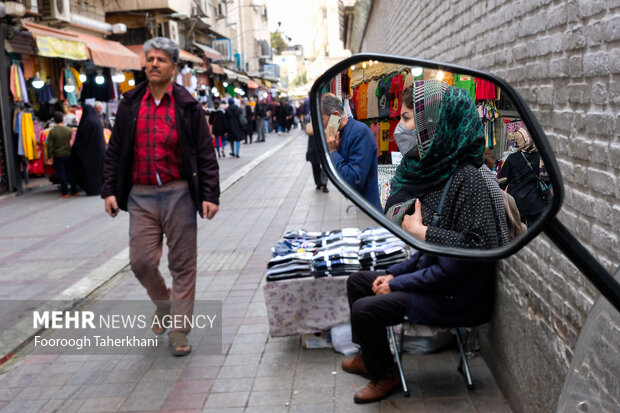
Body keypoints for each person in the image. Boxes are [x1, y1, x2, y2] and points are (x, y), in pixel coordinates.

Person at [342, 81, 499, 403]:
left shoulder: (468, 179)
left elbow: (463, 257)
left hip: (457, 295)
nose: (401, 127)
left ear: (435, 126)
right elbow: (428, 256)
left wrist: (400, 279)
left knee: (366, 309)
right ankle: (371, 357)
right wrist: (396, 275)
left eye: (410, 118)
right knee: (359, 282)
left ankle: (382, 374)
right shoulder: (441, 171)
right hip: (438, 279)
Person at [101, 37, 220, 356]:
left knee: (182, 264)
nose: (153, 64)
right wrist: (109, 190)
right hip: (140, 196)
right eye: (149, 58)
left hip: (178, 192)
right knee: (141, 262)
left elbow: (205, 153)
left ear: (173, 68)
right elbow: (115, 151)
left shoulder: (187, 105)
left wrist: (210, 194)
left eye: (161, 60)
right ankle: (164, 304)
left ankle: (179, 330)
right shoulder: (129, 103)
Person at [322, 93, 381, 211]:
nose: (321, 125)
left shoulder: (360, 132)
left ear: (335, 116)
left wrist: (333, 151)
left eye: (321, 119)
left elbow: (354, 180)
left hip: (368, 213)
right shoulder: (339, 135)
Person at [497, 127, 551, 227]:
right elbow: (547, 179)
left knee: (516, 234)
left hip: (516, 204)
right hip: (536, 204)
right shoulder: (540, 157)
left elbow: (502, 182)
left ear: (519, 140)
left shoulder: (512, 158)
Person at [72, 103, 105, 195]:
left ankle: (91, 189)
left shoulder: (86, 122)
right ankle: (100, 188)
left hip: (88, 152)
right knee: (99, 171)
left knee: (89, 172)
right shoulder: (97, 121)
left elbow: (81, 137)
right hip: (99, 151)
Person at [46, 111, 79, 198]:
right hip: (68, 153)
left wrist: (49, 157)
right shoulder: (68, 130)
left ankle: (65, 192)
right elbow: (71, 141)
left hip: (58, 155)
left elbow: (49, 146)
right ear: (63, 119)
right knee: (71, 172)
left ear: (54, 121)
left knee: (62, 173)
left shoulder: (52, 132)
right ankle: (75, 190)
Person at [305, 121, 328, 192]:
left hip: (323, 148)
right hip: (313, 148)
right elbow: (308, 131)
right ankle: (318, 183)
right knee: (315, 166)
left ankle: (324, 184)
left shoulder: (325, 122)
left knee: (325, 166)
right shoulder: (310, 124)